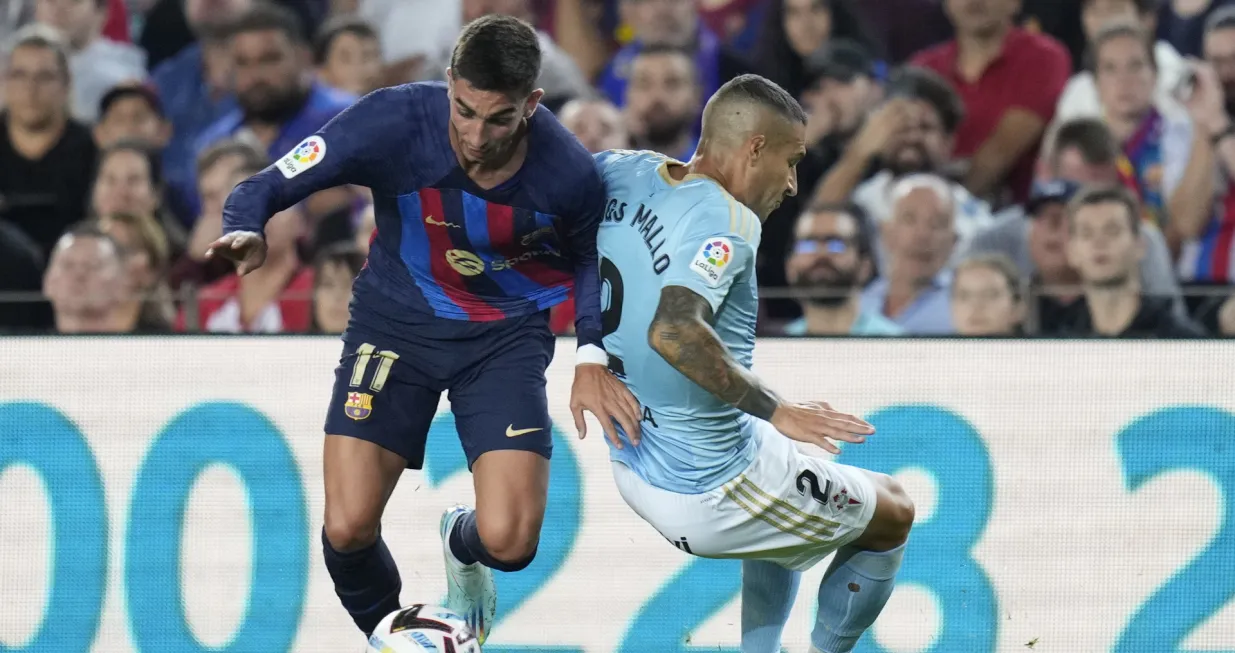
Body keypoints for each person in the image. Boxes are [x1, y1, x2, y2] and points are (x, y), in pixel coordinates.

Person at [206, 14, 639, 644]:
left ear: (533, 104)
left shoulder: (568, 173)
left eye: (498, 119)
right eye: (463, 110)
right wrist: (247, 223)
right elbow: (271, 181)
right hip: (394, 324)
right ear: (449, 85)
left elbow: (587, 260)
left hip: (503, 337)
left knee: (511, 543)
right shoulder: (393, 120)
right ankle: (393, 634)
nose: (475, 135)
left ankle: (459, 544)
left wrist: (591, 356)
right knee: (348, 528)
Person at [594, 74, 914, 653]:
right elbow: (675, 331)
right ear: (755, 149)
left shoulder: (626, 171)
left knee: (780, 471)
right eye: (791, 162)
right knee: (894, 510)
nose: (792, 185)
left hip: (631, 455)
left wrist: (586, 354)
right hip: (706, 488)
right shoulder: (729, 221)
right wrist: (780, 408)